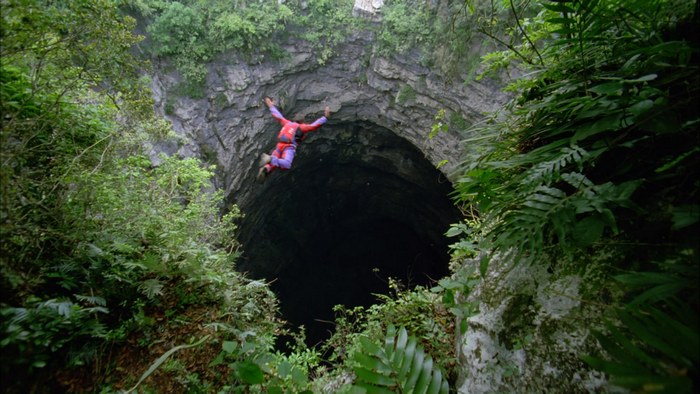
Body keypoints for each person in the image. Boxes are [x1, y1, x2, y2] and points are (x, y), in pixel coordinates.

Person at [257, 96, 331, 182]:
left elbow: (277, 115)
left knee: (275, 163)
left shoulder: (287, 123)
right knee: (286, 164)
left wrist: (270, 104)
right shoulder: (301, 127)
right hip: (288, 147)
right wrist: (325, 118)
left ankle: (266, 169)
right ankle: (270, 159)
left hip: (279, 145)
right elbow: (313, 126)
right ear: (302, 122)